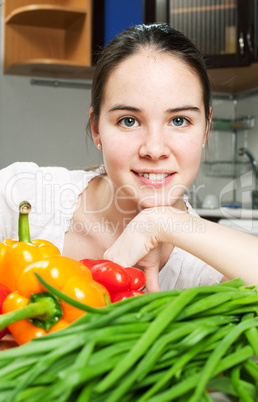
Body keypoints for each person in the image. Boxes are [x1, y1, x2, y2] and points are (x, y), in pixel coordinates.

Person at [0, 24, 257, 293]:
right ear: (97, 129)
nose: (154, 149)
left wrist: (159, 224)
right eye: (129, 120)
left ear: (206, 128)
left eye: (179, 120)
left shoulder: (210, 264)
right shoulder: (22, 200)